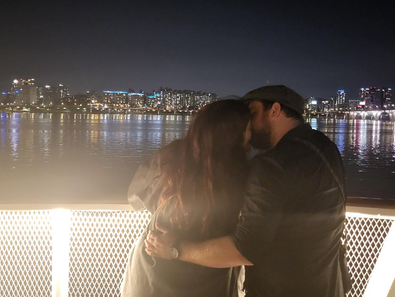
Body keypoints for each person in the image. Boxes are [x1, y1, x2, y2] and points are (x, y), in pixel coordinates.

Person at [146, 85, 350, 297]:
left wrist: (176, 249)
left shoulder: (272, 165)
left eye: (252, 114)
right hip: (328, 285)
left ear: (275, 110)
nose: (249, 125)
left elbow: (245, 248)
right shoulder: (326, 147)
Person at [121, 99, 252, 297]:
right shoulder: (241, 175)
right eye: (249, 129)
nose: (252, 136)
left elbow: (135, 197)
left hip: (153, 269)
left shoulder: (171, 156)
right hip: (207, 276)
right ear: (234, 134)